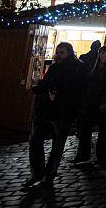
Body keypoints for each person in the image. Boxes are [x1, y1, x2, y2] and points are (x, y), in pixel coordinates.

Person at [24, 42, 87, 189]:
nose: (58, 55)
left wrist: (56, 92)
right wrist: (39, 87)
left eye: (62, 52)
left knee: (57, 146)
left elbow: (77, 90)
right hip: (45, 111)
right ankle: (37, 174)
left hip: (62, 112)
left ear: (69, 53)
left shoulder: (77, 68)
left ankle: (48, 175)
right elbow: (46, 86)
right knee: (35, 141)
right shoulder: (54, 67)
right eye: (57, 52)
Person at [74, 45, 106, 167]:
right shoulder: (98, 66)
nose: (102, 55)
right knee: (88, 129)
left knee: (104, 131)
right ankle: (86, 156)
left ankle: (100, 157)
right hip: (93, 103)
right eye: (101, 53)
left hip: (105, 103)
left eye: (104, 53)